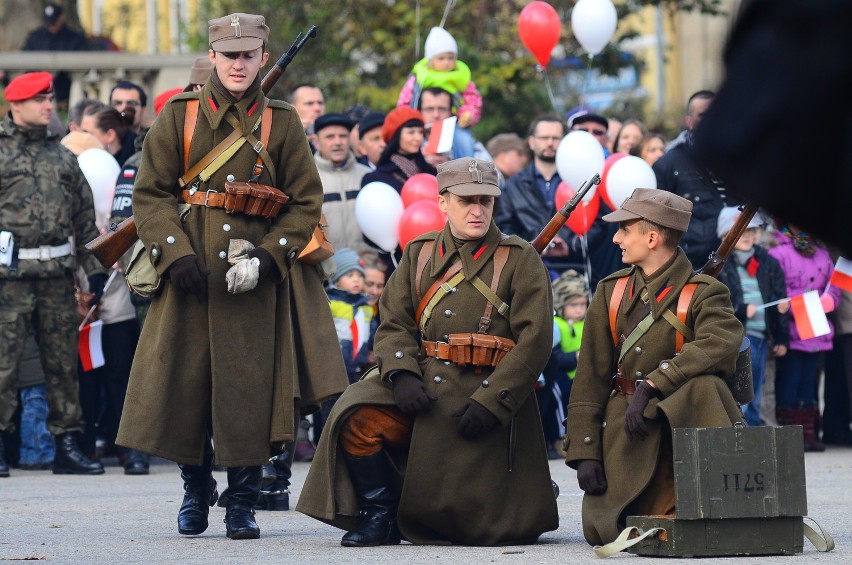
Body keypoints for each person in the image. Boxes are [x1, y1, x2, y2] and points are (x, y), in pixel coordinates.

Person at [115, 13, 347, 539]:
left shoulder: (282, 121)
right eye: (229, 55)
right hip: (190, 273)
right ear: (213, 58)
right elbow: (151, 194)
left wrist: (269, 258)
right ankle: (196, 490)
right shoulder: (179, 115)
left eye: (248, 55)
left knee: (251, 389)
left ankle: (241, 499)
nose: (239, 64)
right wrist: (175, 255)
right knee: (186, 384)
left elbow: (305, 202)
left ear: (263, 58)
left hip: (252, 279)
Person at [298, 157, 559, 546]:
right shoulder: (419, 253)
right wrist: (401, 375)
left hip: (482, 392)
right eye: (466, 200)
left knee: (481, 526)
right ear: (442, 203)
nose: (477, 210)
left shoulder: (520, 258)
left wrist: (493, 402)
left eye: (485, 202)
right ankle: (381, 513)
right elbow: (394, 323)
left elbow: (535, 342)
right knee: (354, 412)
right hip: (423, 380)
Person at [565, 187, 744, 546]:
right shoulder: (610, 291)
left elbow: (721, 342)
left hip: (684, 423)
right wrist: (584, 450)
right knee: (607, 528)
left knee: (705, 384)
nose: (615, 239)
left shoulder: (704, 292)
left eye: (624, 230)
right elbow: (591, 377)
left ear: (651, 237)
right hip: (627, 429)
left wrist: (654, 384)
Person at [0, 72, 107, 478]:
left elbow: (83, 220)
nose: (49, 106)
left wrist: (92, 274)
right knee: (4, 364)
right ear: (16, 104)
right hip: (8, 278)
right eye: (39, 99)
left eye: (51, 99)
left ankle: (67, 444)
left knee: (62, 364)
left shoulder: (63, 156)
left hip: (55, 277)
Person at [494, 115, 600, 277]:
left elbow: (596, 222)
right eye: (544, 138)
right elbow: (505, 227)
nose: (550, 143)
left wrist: (571, 246)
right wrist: (532, 246)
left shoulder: (580, 180)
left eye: (555, 138)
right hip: (528, 269)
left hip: (576, 271)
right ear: (531, 142)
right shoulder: (514, 186)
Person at [768, 223, 841, 451]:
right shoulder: (778, 251)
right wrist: (794, 305)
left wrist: (830, 299)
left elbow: (834, 284)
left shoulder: (821, 252)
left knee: (809, 381)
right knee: (791, 379)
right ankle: (790, 435)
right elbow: (775, 289)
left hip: (815, 329)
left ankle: (809, 431)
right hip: (792, 330)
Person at [716, 208, 789, 427]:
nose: (746, 236)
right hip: (739, 337)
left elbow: (778, 297)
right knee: (743, 388)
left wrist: (782, 335)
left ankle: (754, 427)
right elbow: (718, 301)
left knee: (758, 387)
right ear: (725, 237)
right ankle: (743, 426)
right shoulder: (721, 266)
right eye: (740, 232)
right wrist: (740, 308)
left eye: (751, 231)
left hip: (762, 336)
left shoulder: (768, 262)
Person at [653, 90, 741, 269]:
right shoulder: (669, 164)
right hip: (695, 267)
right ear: (688, 121)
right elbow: (658, 221)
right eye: (703, 115)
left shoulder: (739, 156)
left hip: (742, 263)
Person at [398, 26, 482, 158]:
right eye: (441, 58)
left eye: (451, 58)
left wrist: (468, 114)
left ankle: (467, 168)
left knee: (464, 139)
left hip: (454, 123)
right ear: (431, 60)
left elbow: (473, 99)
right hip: (421, 125)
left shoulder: (461, 76)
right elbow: (405, 100)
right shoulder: (420, 76)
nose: (447, 63)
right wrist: (407, 118)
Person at [538, 270, 585, 458]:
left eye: (583, 304)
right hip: (561, 373)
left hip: (581, 375)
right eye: (574, 305)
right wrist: (575, 357)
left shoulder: (588, 323)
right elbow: (554, 357)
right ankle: (558, 439)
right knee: (559, 395)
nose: (579, 309)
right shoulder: (557, 324)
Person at [312, 113, 371, 252]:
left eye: (343, 136)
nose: (338, 142)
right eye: (330, 137)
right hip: (327, 270)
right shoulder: (308, 179)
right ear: (316, 142)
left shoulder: (366, 176)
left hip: (369, 268)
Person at [21, 4, 89, 106]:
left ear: (62, 18)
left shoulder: (74, 38)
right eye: (49, 22)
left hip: (66, 89)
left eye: (54, 22)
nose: (51, 25)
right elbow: (24, 59)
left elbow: (84, 63)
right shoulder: (35, 37)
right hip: (39, 88)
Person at [327, 248, 375, 385]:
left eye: (360, 276)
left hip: (359, 370)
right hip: (334, 369)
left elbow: (372, 333)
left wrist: (372, 349)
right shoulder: (330, 303)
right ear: (336, 281)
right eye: (350, 275)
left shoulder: (366, 307)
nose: (356, 280)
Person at [417, 87, 491, 165]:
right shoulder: (410, 144)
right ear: (420, 111)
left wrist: (451, 167)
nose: (436, 115)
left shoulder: (469, 145)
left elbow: (494, 175)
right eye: (429, 109)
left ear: (451, 112)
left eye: (442, 109)